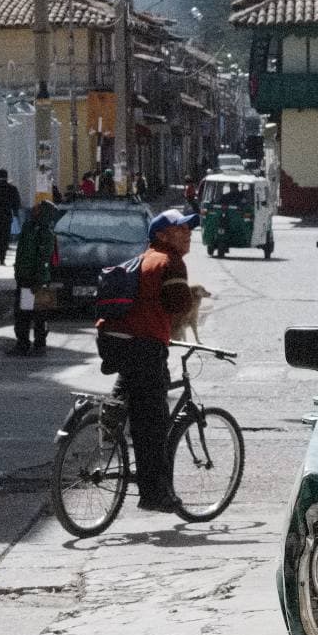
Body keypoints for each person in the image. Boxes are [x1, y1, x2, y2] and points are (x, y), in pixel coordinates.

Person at [96, 206, 199, 512]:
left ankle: (111, 414)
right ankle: (154, 495)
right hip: (145, 344)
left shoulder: (143, 259)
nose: (189, 233)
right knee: (152, 424)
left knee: (135, 384)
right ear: (163, 235)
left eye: (189, 229)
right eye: (182, 229)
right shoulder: (170, 262)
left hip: (114, 340)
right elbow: (178, 303)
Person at [11, 199, 59, 355]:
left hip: (37, 280)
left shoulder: (45, 233)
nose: (33, 209)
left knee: (39, 315)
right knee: (23, 314)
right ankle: (23, 344)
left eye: (38, 208)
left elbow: (44, 260)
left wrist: (38, 280)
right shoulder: (29, 227)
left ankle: (39, 344)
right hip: (24, 277)